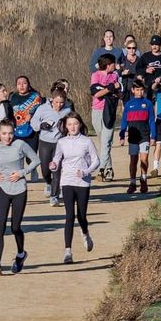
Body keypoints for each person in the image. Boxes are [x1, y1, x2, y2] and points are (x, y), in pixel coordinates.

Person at [0, 120, 40, 275]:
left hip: (20, 189)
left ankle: (21, 254)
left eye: (10, 133)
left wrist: (22, 172)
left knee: (15, 227)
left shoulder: (20, 145)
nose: (7, 137)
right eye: (4, 133)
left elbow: (36, 160)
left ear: (14, 132)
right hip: (3, 189)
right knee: (0, 225)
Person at [49, 112, 99, 264]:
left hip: (83, 181)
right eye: (69, 124)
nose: (72, 127)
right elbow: (57, 158)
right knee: (69, 215)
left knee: (81, 215)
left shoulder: (87, 141)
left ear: (80, 125)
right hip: (67, 180)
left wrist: (85, 172)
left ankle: (85, 233)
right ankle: (68, 252)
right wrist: (54, 165)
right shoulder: (62, 142)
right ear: (65, 126)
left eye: (75, 124)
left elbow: (96, 161)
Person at [30, 90, 70, 206]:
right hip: (45, 142)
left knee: (56, 170)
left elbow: (73, 123)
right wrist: (41, 125)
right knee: (45, 170)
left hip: (60, 144)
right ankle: (48, 183)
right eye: (56, 102)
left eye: (62, 103)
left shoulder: (68, 110)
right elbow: (33, 122)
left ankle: (54, 196)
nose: (59, 105)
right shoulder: (42, 108)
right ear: (52, 100)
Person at [119, 79, 156, 194]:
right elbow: (124, 121)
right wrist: (122, 135)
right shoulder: (128, 104)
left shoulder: (148, 104)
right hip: (133, 136)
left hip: (144, 135)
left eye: (141, 90)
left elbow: (151, 121)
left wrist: (153, 136)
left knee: (144, 159)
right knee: (133, 160)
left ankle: (143, 180)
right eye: (137, 90)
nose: (139, 92)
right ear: (133, 90)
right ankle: (133, 182)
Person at [89, 55, 121, 182]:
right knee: (103, 143)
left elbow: (118, 93)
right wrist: (110, 88)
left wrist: (114, 90)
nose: (115, 66)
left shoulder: (115, 76)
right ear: (108, 64)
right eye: (114, 63)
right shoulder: (96, 75)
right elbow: (96, 93)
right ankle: (109, 169)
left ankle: (101, 170)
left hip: (110, 111)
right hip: (97, 110)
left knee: (106, 142)